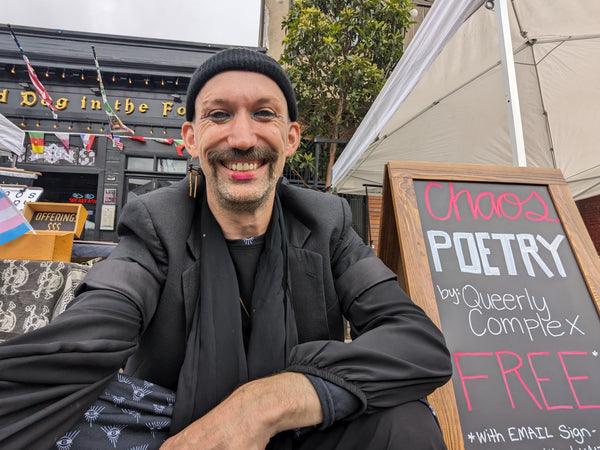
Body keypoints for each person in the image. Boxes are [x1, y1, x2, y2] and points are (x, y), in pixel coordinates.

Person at [0, 48, 452, 449]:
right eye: (218, 115)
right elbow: (88, 334)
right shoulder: (157, 223)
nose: (241, 138)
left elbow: (419, 344)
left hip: (303, 428)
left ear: (291, 138)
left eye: (263, 114)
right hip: (179, 431)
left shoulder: (325, 223)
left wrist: (265, 403)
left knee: (405, 419)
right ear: (191, 139)